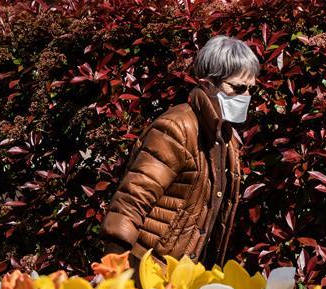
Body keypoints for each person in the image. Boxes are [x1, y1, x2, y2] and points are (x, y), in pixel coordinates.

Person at [100, 35, 259, 271]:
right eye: (237, 88)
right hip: (148, 270)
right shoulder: (177, 128)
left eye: (250, 89)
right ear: (208, 83)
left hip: (183, 277)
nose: (245, 96)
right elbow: (132, 200)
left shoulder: (225, 138)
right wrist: (114, 272)